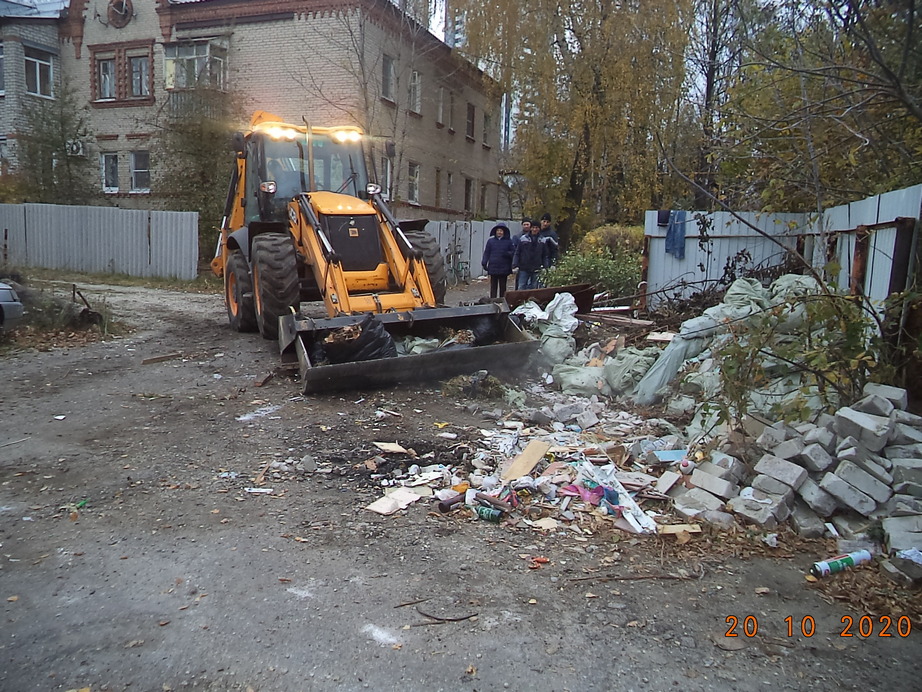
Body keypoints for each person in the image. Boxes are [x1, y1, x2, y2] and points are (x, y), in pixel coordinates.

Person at [481, 223, 515, 299]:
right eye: (498, 230)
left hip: (504, 267)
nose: (499, 232)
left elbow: (513, 252)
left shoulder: (509, 241)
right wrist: (484, 262)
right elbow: (487, 252)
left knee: (503, 286)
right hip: (493, 266)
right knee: (493, 286)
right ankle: (493, 300)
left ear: (504, 232)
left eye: (501, 231)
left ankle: (502, 300)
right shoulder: (491, 241)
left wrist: (507, 254)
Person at [512, 222, 548, 291]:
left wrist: (545, 267)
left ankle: (532, 301)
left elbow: (545, 255)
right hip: (524, 267)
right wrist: (514, 265)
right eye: (533, 227)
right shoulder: (523, 238)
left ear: (539, 229)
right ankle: (520, 301)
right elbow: (517, 253)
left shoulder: (542, 240)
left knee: (534, 288)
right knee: (521, 286)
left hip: (537, 268)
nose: (534, 229)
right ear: (530, 228)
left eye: (536, 228)